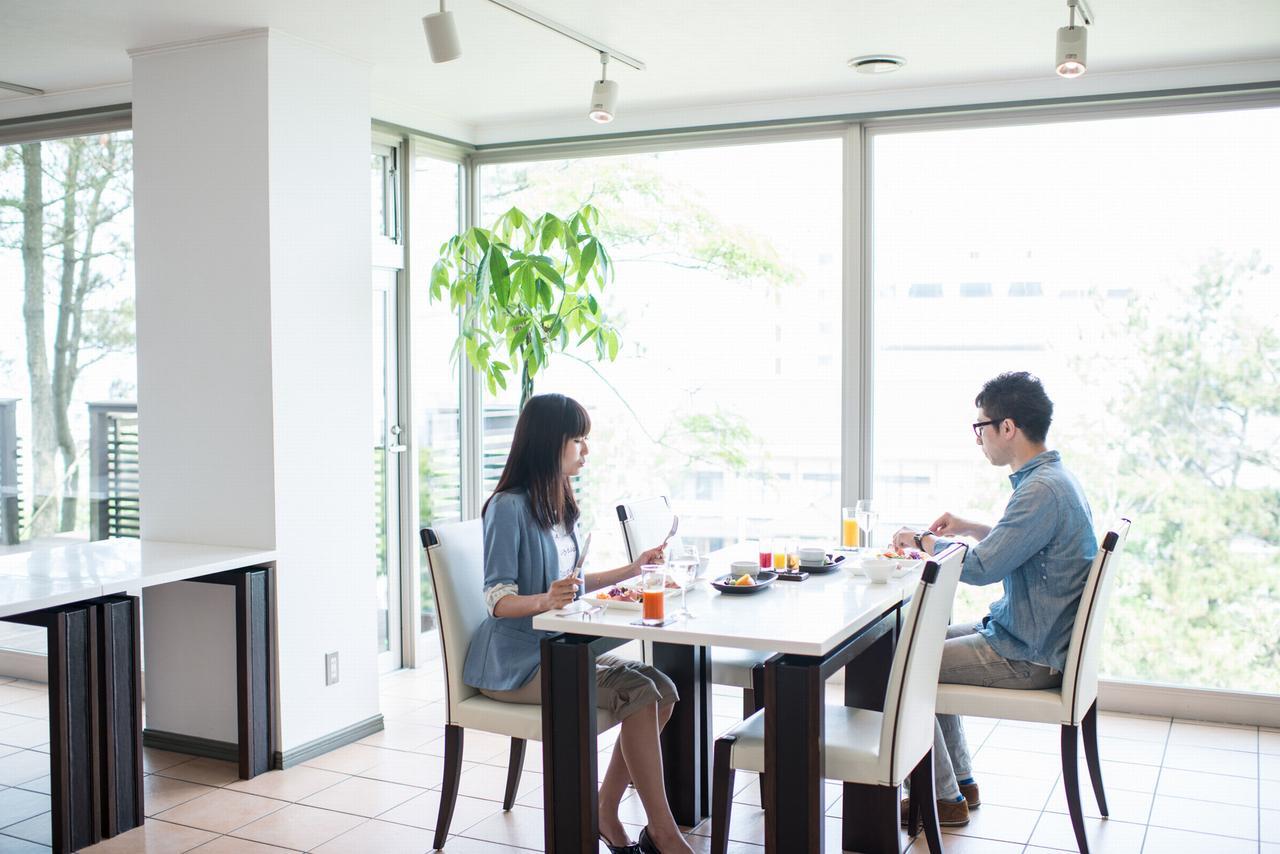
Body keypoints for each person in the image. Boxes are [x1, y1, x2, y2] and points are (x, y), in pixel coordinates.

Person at [462, 393, 694, 854]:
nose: (585, 451)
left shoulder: (559, 501)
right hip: (514, 663)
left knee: (663, 689)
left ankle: (605, 810)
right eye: (578, 441)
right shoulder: (507, 507)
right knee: (642, 691)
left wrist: (634, 569)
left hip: (559, 649)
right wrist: (545, 599)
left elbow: (577, 582)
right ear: (552, 443)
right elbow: (497, 598)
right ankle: (661, 832)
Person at [893, 371, 1097, 828]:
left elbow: (983, 570)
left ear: (1008, 427)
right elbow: (1018, 546)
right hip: (1031, 636)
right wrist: (968, 527)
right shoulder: (1053, 480)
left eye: (980, 427)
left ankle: (941, 798)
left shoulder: (1040, 491)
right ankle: (960, 782)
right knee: (914, 644)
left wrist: (921, 541)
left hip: (1028, 653)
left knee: (903, 666)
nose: (979, 438)